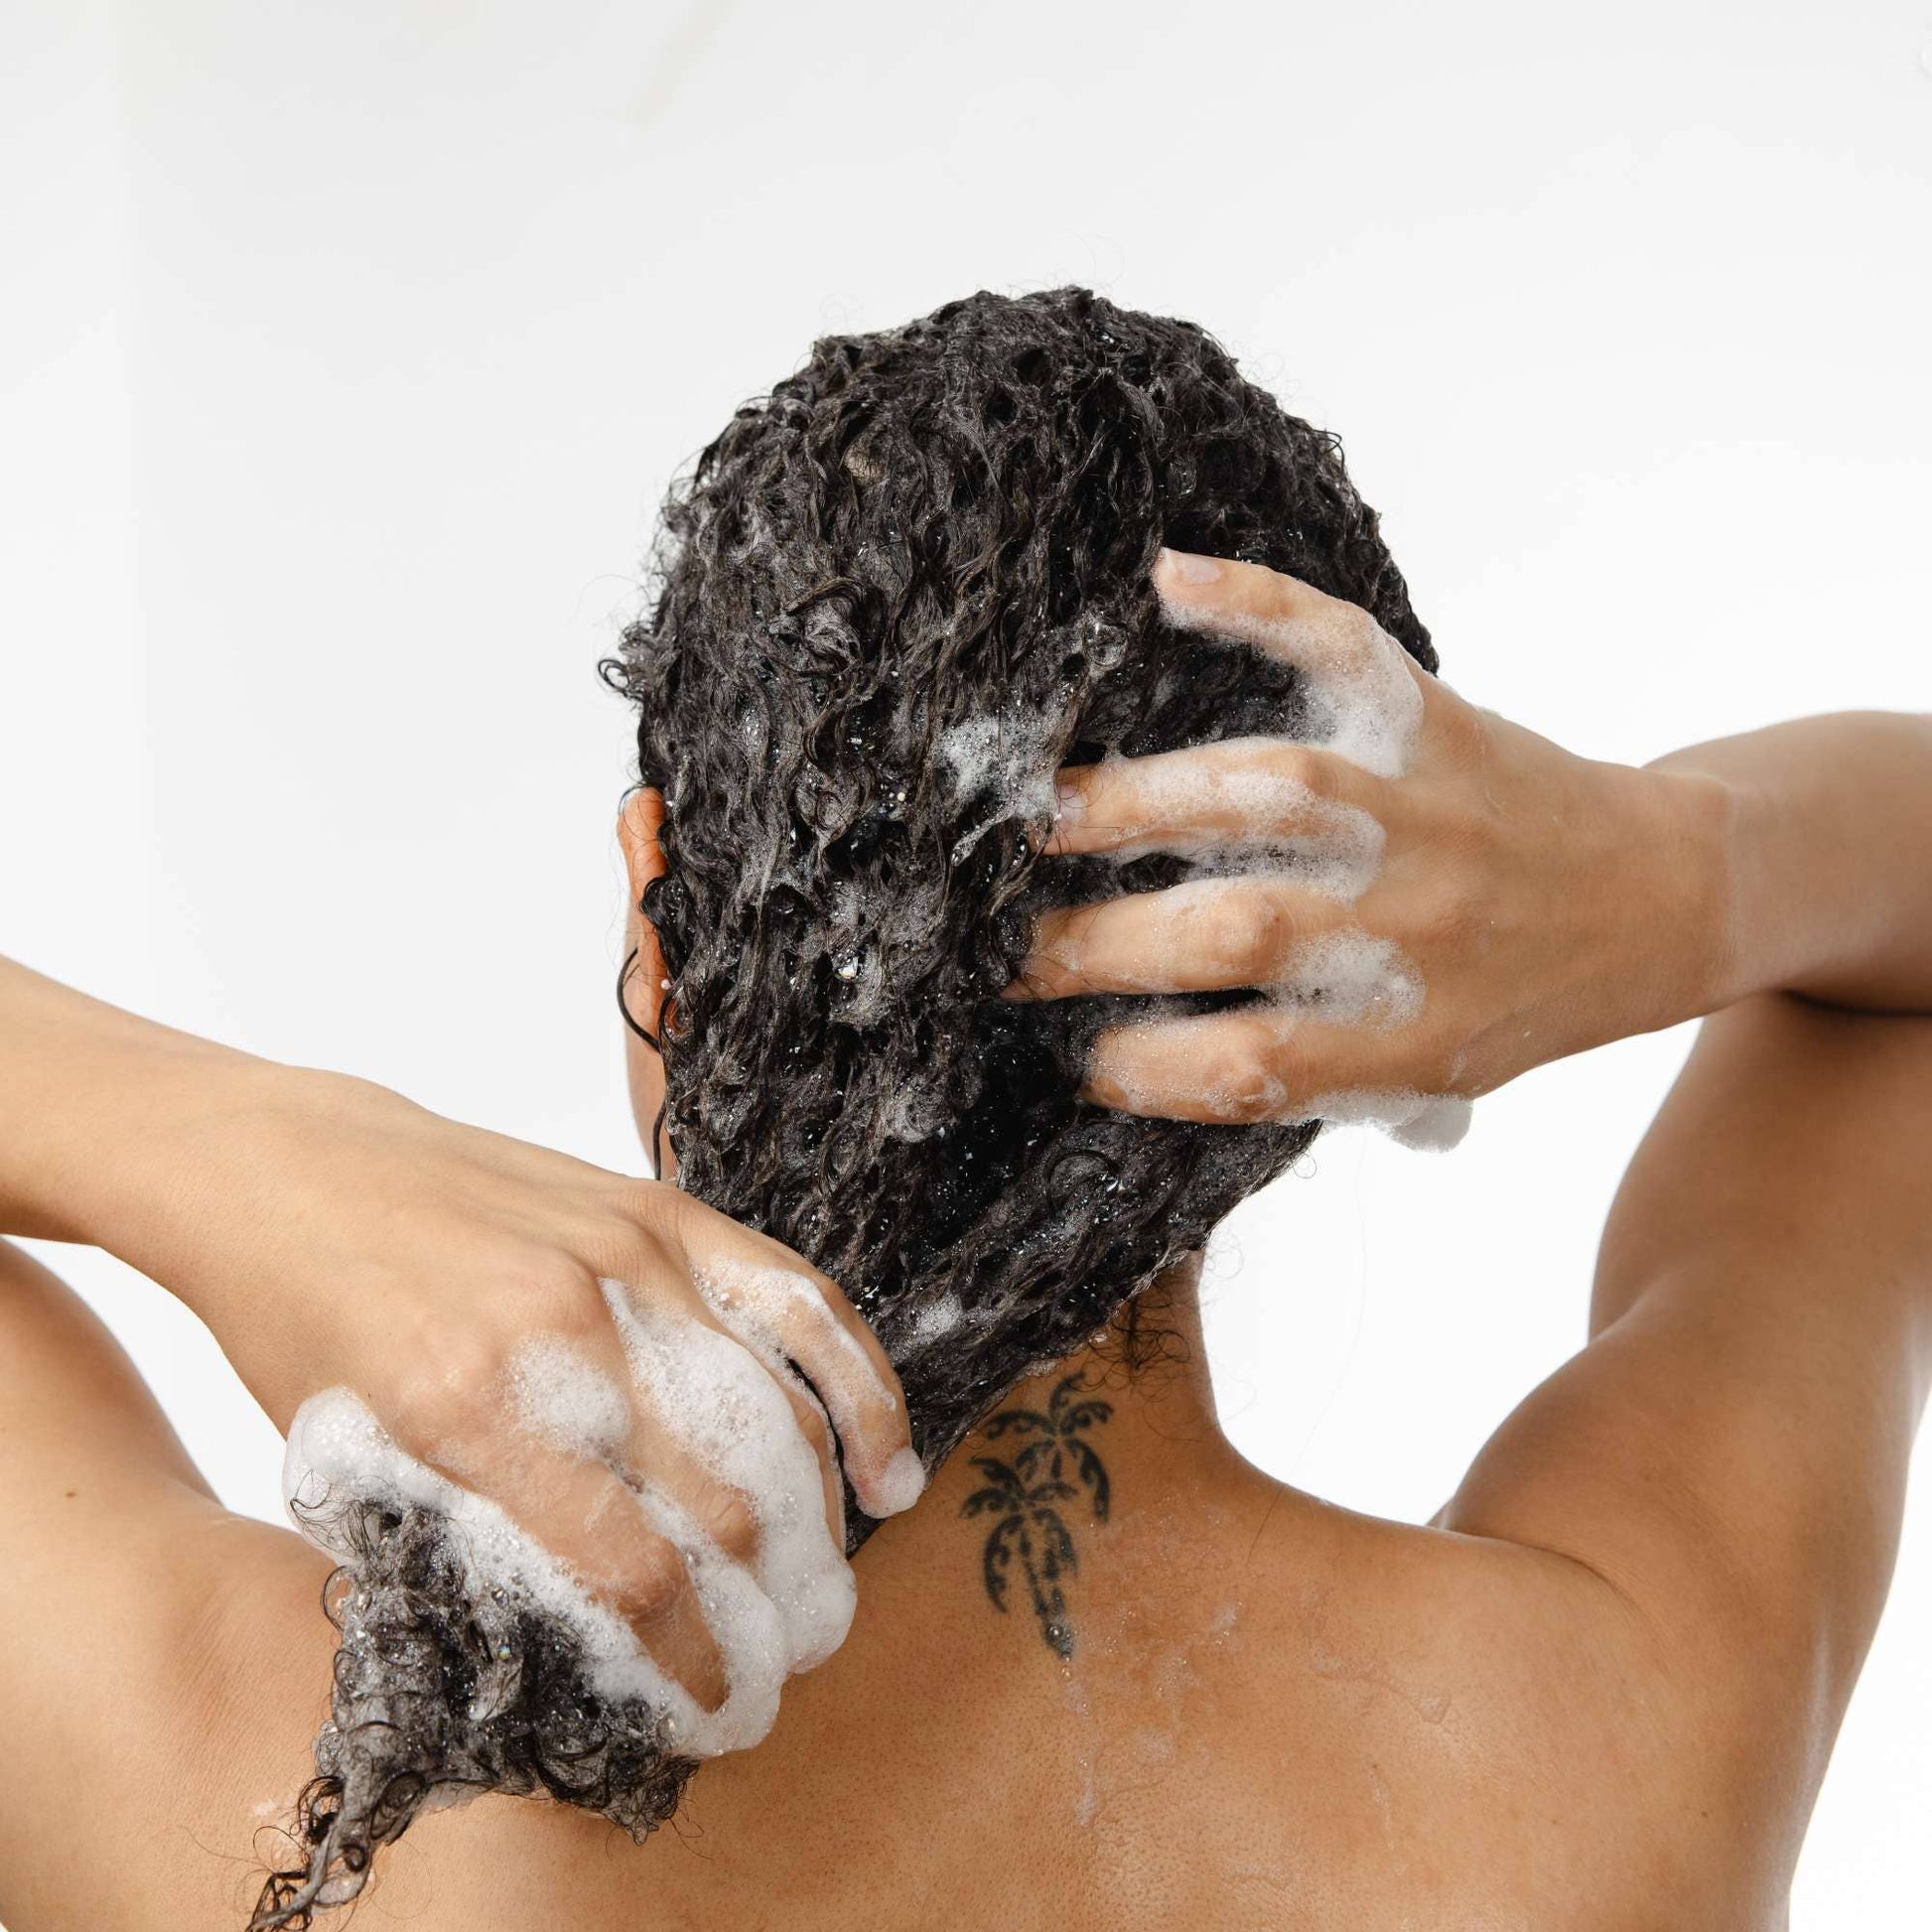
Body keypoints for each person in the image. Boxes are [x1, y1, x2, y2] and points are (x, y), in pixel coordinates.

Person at [0, 288, 1928, 1930]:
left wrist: (247, 1144)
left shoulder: (279, 1785)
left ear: (656, 915)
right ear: (1328, 995)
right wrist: (1681, 872)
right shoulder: (1614, 1743)